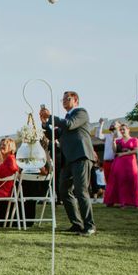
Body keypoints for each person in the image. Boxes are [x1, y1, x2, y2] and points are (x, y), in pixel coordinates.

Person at [41, 91, 97, 236]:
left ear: (76, 100)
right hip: (69, 159)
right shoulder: (65, 118)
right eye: (63, 99)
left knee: (81, 191)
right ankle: (77, 224)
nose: (64, 101)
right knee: (64, 190)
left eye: (68, 98)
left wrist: (51, 116)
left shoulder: (81, 112)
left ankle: (89, 225)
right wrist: (44, 123)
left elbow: (70, 125)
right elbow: (55, 134)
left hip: (81, 156)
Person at [103, 124, 138, 208]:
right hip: (119, 162)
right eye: (121, 130)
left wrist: (124, 153)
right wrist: (113, 141)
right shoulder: (119, 140)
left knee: (131, 181)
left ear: (128, 129)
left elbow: (136, 151)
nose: (122, 131)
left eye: (123, 129)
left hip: (130, 163)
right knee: (120, 181)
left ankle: (134, 202)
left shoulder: (134, 139)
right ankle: (122, 202)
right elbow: (115, 150)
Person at [96, 118, 120, 191]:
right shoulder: (107, 136)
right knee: (108, 181)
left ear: (119, 126)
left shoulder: (121, 136)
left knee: (117, 181)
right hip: (106, 162)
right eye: (112, 123)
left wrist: (117, 129)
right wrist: (101, 124)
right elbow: (98, 136)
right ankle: (110, 199)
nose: (113, 124)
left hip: (116, 161)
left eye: (115, 123)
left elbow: (118, 135)